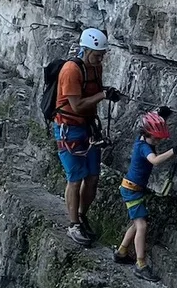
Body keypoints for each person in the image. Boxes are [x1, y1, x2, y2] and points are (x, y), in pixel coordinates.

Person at [53, 28, 121, 247]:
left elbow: (94, 94)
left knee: (92, 176)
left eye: (102, 55)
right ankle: (73, 224)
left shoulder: (95, 67)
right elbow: (78, 105)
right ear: (86, 50)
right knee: (75, 177)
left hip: (88, 127)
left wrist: (107, 92)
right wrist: (102, 95)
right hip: (69, 128)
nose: (100, 59)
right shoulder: (71, 71)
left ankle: (82, 216)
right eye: (97, 54)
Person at [113, 110, 177, 283]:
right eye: (156, 138)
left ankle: (122, 252)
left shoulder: (144, 138)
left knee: (138, 223)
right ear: (146, 134)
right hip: (132, 190)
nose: (158, 141)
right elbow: (154, 160)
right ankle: (141, 264)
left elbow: (150, 122)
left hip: (134, 189)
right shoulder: (143, 146)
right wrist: (174, 151)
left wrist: (161, 115)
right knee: (142, 226)